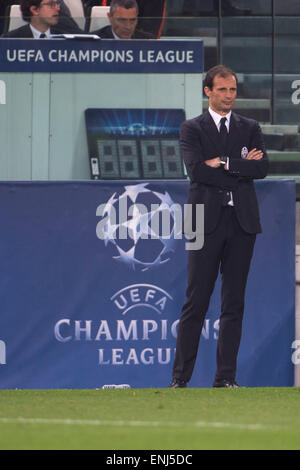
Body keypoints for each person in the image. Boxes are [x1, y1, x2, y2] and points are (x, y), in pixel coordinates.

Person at [169, 65, 268, 389]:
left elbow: (262, 168)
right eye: (222, 90)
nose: (229, 96)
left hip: (242, 222)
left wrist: (224, 162)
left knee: (233, 303)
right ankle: (180, 379)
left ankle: (225, 379)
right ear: (208, 91)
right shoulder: (191, 128)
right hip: (202, 220)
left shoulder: (249, 126)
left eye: (233, 90)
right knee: (196, 300)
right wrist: (242, 167)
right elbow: (198, 172)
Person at [1, 0, 82, 38]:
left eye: (57, 4)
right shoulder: (10, 39)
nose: (58, 8)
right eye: (51, 4)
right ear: (35, 10)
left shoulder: (64, 39)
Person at [85, 0, 166, 38]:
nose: (127, 26)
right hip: (103, 42)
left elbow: (151, 28)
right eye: (122, 20)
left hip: (138, 46)